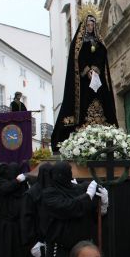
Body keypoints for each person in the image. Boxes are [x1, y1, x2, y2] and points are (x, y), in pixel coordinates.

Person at [51, 12, 119, 152]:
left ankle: (104, 126)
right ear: (84, 25)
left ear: (95, 25)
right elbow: (77, 58)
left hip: (97, 79)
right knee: (83, 103)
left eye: (92, 24)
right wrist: (86, 70)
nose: (90, 27)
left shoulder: (99, 42)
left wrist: (95, 69)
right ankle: (82, 126)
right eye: (87, 25)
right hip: (82, 83)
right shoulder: (78, 42)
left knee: (102, 101)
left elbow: (102, 56)